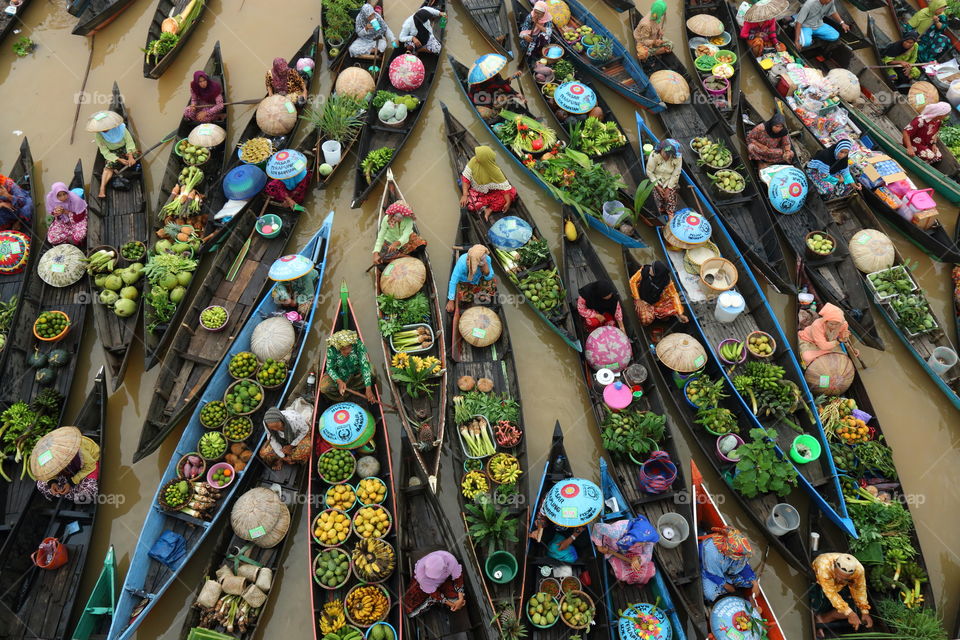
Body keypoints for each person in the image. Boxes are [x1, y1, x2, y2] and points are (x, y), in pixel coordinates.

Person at [31, 426, 100, 504]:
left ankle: (69, 493)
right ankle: (68, 493)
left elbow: (90, 466)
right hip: (69, 470)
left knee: (85, 495)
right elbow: (48, 470)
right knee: (41, 484)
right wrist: (52, 482)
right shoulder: (46, 455)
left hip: (89, 465)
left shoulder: (79, 448)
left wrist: (71, 483)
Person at [812, 553, 873, 632]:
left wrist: (864, 611)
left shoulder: (859, 570)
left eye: (844, 578)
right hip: (821, 580)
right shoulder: (823, 566)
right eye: (838, 575)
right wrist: (850, 613)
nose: (839, 580)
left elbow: (859, 589)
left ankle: (822, 619)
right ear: (834, 566)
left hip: (840, 587)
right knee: (819, 601)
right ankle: (815, 617)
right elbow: (831, 593)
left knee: (850, 609)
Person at [590, 516, 658, 586]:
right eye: (641, 542)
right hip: (613, 549)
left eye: (645, 542)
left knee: (649, 572)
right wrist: (599, 546)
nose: (644, 544)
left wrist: (639, 559)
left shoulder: (648, 538)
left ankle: (632, 579)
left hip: (634, 552)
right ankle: (614, 572)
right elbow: (597, 527)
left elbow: (647, 555)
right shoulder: (616, 531)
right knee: (621, 574)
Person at [459, 146, 518, 221]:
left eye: (478, 157)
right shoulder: (474, 161)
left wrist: (508, 202)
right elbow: (466, 177)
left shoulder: (495, 171)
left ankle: (489, 210)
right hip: (476, 190)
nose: (476, 157)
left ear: (483, 160)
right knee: (469, 205)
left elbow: (505, 188)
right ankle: (484, 205)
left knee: (509, 196)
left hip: (490, 192)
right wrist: (465, 194)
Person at [700, 526, 756, 603]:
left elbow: (743, 565)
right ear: (728, 552)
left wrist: (755, 583)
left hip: (726, 569)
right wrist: (726, 585)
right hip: (710, 572)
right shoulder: (711, 553)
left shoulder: (741, 551)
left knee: (749, 583)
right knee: (710, 595)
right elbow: (710, 573)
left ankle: (728, 583)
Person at [319, 329, 377, 403]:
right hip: (340, 375)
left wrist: (368, 389)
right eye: (343, 349)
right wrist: (339, 381)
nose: (346, 351)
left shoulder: (358, 344)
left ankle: (365, 390)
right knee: (324, 388)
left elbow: (364, 365)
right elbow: (330, 368)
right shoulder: (332, 348)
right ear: (338, 347)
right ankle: (342, 397)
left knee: (372, 371)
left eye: (349, 347)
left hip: (356, 374)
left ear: (352, 344)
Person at [402, 550, 466, 616]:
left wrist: (461, 598)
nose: (433, 579)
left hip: (443, 581)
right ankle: (430, 600)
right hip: (424, 586)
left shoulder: (450, 559)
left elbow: (458, 576)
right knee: (411, 610)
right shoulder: (421, 575)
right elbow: (434, 594)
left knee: (457, 599)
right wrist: (452, 605)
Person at [629, 261, 688, 325]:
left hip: (654, 302)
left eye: (652, 269)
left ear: (657, 274)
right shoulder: (645, 270)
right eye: (651, 266)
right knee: (646, 320)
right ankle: (654, 314)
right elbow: (632, 281)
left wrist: (680, 314)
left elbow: (674, 295)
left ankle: (656, 313)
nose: (650, 268)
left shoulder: (666, 282)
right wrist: (638, 299)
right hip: (640, 298)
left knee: (674, 309)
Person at [92, 118, 137, 200]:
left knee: (135, 157)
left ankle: (128, 164)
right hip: (113, 152)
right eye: (101, 128)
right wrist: (118, 159)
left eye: (105, 127)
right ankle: (102, 188)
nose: (104, 130)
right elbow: (105, 151)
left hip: (126, 148)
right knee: (108, 167)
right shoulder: (98, 135)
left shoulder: (121, 128)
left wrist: (130, 156)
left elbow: (129, 142)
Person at [258, 406, 311, 470]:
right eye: (272, 428)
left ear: (282, 420)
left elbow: (305, 431)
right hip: (282, 441)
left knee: (307, 448)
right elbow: (272, 439)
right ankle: (284, 458)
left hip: (298, 436)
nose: (275, 429)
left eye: (277, 426)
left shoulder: (294, 419)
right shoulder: (266, 423)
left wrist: (291, 446)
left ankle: (292, 457)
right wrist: (283, 456)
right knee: (264, 453)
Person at [446, 244, 495, 313]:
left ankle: (480, 294)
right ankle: (472, 298)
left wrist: (486, 272)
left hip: (478, 279)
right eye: (482, 260)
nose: (485, 260)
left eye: (485, 258)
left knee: (491, 283)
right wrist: (451, 300)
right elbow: (453, 281)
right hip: (465, 281)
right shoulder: (462, 263)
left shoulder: (487, 259)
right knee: (464, 297)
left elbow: (490, 277)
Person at [646, 138, 682, 217]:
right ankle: (659, 211)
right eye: (665, 153)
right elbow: (649, 172)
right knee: (656, 198)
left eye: (669, 154)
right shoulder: (654, 155)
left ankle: (670, 215)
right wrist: (658, 187)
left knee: (670, 199)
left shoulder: (677, 157)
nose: (667, 156)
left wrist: (668, 189)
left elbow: (676, 174)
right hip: (656, 181)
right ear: (661, 149)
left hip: (669, 181)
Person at [45, 181, 87, 246]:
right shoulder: (50, 198)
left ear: (67, 192)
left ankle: (70, 236)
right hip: (63, 220)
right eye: (59, 195)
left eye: (64, 194)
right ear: (55, 195)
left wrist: (65, 212)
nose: (63, 198)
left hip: (77, 220)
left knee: (80, 235)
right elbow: (52, 212)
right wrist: (56, 212)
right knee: (51, 238)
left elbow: (81, 217)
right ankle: (70, 237)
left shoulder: (75, 199)